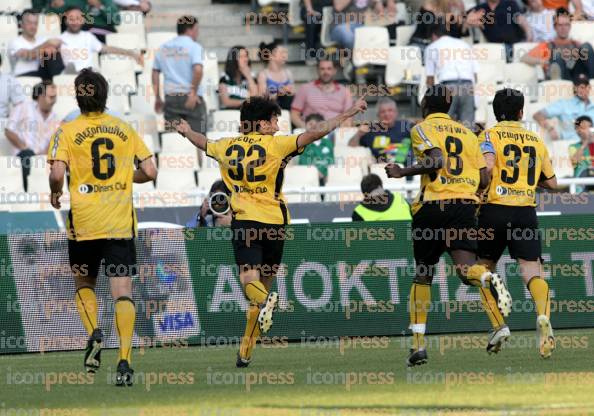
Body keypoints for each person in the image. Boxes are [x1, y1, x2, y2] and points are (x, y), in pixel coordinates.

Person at [174, 94, 368, 367]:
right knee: (258, 293)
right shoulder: (278, 145)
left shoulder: (226, 146)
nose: (278, 124)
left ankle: (265, 305)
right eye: (274, 119)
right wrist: (348, 113)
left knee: (250, 286)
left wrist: (185, 131)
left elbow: (202, 142)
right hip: (276, 224)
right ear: (262, 124)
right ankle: (245, 352)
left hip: (246, 223)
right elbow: (315, 133)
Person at [384, 84, 512, 367]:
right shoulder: (468, 134)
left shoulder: (421, 128)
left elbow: (436, 160)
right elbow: (483, 179)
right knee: (468, 271)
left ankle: (418, 346)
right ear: (449, 106)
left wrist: (401, 171)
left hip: (433, 207)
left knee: (423, 275)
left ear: (424, 106)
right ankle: (488, 281)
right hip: (464, 207)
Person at [47, 68, 158, 386]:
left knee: (84, 284)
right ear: (105, 95)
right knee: (122, 292)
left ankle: (94, 331)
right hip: (119, 222)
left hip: (84, 221)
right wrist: (126, 177)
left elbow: (57, 174)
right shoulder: (123, 128)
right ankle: (124, 360)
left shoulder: (67, 131)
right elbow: (150, 170)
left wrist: (56, 191)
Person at [477, 88, 557, 358]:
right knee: (533, 271)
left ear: (495, 112)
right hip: (525, 210)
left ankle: (498, 326)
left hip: (494, 209)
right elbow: (553, 183)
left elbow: (487, 168)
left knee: (482, 270)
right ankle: (543, 318)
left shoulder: (488, 135)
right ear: (521, 112)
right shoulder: (535, 139)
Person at [153, 16, 207, 134]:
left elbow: (155, 72)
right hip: (190, 96)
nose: (197, 33)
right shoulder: (194, 46)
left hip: (171, 97)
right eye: (196, 29)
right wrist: (193, 93)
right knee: (198, 138)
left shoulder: (163, 47)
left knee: (174, 138)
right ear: (190, 29)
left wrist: (157, 97)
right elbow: (198, 70)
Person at [5, 81, 60, 191]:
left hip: (43, 156)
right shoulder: (24, 106)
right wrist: (23, 146)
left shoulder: (55, 117)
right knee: (28, 155)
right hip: (22, 153)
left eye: (55, 96)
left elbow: (53, 142)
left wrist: (43, 153)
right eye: (51, 96)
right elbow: (8, 131)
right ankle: (26, 194)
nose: (54, 99)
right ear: (40, 96)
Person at [59, 7, 142, 74]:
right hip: (69, 77)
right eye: (71, 19)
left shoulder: (88, 36)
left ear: (83, 20)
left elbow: (107, 49)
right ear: (66, 21)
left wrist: (130, 53)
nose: (75, 22)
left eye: (77, 18)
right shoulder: (59, 39)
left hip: (88, 75)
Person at [425, 22, 478, 127]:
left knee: (444, 127)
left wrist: (432, 100)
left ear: (434, 35)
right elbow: (475, 75)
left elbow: (430, 79)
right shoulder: (465, 45)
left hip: (447, 87)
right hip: (468, 85)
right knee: (467, 128)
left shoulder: (431, 47)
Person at [522, 8, 594, 81]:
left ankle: (592, 82)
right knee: (556, 55)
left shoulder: (576, 43)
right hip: (563, 78)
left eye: (566, 25)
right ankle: (558, 82)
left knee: (586, 47)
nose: (563, 28)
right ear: (555, 27)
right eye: (560, 25)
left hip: (579, 77)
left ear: (570, 27)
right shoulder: (547, 45)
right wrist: (545, 61)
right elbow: (524, 58)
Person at [291, 59, 353, 128]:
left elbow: (348, 117)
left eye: (329, 69)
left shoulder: (345, 91)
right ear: (317, 70)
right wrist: (305, 128)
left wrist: (342, 132)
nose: (325, 72)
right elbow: (294, 114)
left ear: (334, 71)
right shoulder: (305, 88)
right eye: (322, 69)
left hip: (336, 131)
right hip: (312, 132)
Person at [348, 98, 413, 163]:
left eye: (390, 110)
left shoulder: (406, 126)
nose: (387, 114)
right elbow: (351, 146)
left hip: (407, 168)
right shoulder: (371, 130)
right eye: (383, 112)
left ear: (396, 112)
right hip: (382, 169)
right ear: (378, 115)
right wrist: (359, 134)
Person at [533, 73, 594, 141]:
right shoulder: (564, 104)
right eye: (582, 87)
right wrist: (550, 128)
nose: (585, 90)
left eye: (587, 86)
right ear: (575, 88)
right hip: (570, 143)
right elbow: (538, 115)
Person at [9, 9, 64, 80]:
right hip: (22, 75)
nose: (33, 26)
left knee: (53, 53)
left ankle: (61, 78)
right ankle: (60, 79)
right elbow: (27, 55)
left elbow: (57, 45)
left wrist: (51, 48)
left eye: (35, 23)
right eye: (29, 23)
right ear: (21, 24)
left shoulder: (42, 40)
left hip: (43, 74)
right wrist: (47, 45)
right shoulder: (15, 42)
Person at [466, 0, 532, 56]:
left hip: (515, 45)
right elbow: (464, 19)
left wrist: (528, 33)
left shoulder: (509, 3)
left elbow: (520, 18)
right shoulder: (480, 8)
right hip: (494, 49)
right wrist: (468, 21)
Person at [42, 0, 121, 43]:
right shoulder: (77, 1)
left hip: (105, 32)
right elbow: (49, 13)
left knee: (82, 27)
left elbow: (116, 21)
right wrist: (54, 5)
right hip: (84, 31)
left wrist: (99, 6)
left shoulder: (106, 1)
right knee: (68, 24)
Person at [297, 113, 335, 185]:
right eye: (310, 124)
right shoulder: (302, 143)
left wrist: (327, 175)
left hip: (327, 180)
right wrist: (317, 174)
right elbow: (304, 164)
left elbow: (331, 162)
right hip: (309, 179)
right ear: (305, 126)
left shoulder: (328, 143)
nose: (314, 127)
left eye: (317, 125)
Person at [257, 41, 295, 111]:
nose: (284, 56)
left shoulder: (288, 73)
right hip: (271, 109)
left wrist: (288, 91)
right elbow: (261, 98)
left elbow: (293, 94)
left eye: (285, 53)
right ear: (271, 56)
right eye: (281, 53)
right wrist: (277, 93)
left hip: (288, 108)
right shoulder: (263, 75)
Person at [218, 46, 258, 110]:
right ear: (233, 60)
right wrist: (245, 102)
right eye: (241, 57)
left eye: (246, 56)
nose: (245, 59)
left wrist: (248, 76)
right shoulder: (225, 78)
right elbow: (226, 102)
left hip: (248, 114)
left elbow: (255, 98)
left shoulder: (252, 77)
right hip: (229, 114)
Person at [301, 0, 333, 65]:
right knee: (311, 20)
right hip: (312, 8)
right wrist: (309, 9)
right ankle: (310, 55)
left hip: (330, 10)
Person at [569, 115, 594, 191]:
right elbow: (575, 161)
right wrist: (586, 142)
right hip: (581, 189)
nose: (580, 130)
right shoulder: (573, 147)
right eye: (577, 128)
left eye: (584, 127)